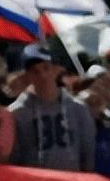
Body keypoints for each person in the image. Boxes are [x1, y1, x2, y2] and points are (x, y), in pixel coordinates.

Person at [7, 44, 95, 172]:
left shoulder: (78, 109)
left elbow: (87, 152)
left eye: (46, 68)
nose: (42, 75)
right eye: (35, 71)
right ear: (27, 76)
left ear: (56, 70)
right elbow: (14, 157)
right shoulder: (17, 113)